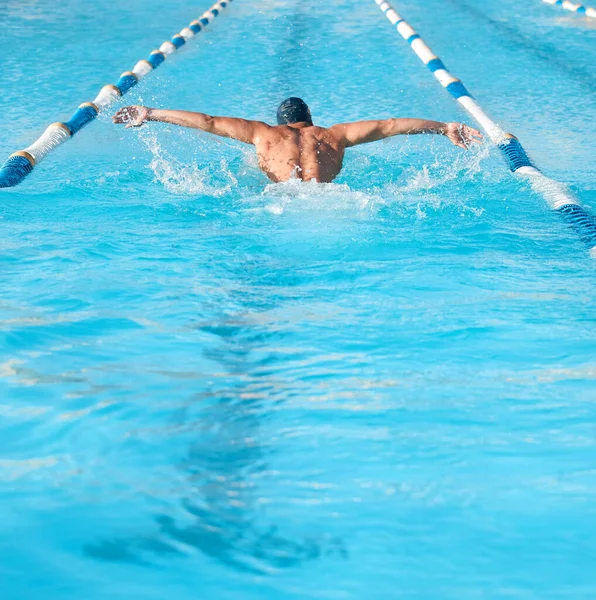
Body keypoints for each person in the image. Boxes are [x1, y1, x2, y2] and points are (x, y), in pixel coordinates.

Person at [113, 97, 482, 183]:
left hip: (281, 203)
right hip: (330, 202)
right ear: (310, 119)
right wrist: (443, 127)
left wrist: (152, 115)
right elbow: (389, 125)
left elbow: (207, 122)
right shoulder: (334, 135)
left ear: (281, 122)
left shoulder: (262, 133)